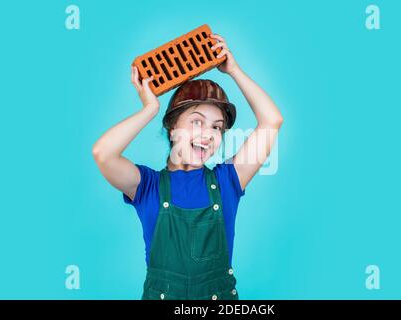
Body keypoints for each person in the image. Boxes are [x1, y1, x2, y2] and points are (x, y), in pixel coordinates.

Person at [92, 33, 283, 300]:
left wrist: (234, 71)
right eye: (197, 121)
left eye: (217, 127)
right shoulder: (146, 186)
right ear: (172, 128)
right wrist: (150, 108)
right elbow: (103, 153)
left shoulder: (229, 180)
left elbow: (271, 120)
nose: (207, 134)